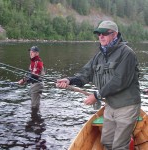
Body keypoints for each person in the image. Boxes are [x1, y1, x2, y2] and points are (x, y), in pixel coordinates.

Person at [56, 20, 141, 150]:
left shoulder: (127, 53)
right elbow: (86, 73)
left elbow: (119, 81)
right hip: (110, 104)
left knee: (119, 145)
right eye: (98, 33)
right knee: (106, 141)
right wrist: (69, 80)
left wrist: (97, 95)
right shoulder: (99, 56)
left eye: (105, 33)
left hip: (127, 106)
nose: (101, 36)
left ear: (115, 34)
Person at [18, 46, 45, 111]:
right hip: (34, 84)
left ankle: (36, 119)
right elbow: (29, 73)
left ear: (37, 53)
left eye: (32, 52)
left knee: (34, 106)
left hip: (37, 84)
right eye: (30, 52)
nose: (30, 53)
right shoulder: (33, 61)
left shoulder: (37, 62)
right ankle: (36, 117)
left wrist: (24, 80)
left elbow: (34, 75)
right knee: (34, 103)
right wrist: (24, 80)